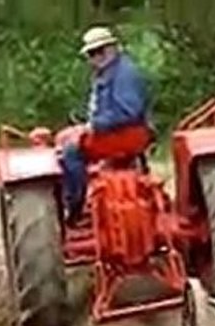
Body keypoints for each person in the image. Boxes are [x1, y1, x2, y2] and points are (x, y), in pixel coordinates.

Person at [61, 25, 151, 226]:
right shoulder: (114, 70)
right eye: (92, 54)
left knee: (70, 152)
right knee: (70, 135)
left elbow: (128, 112)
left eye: (99, 51)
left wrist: (94, 126)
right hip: (126, 135)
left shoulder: (124, 74)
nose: (96, 57)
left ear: (112, 48)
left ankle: (74, 207)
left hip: (119, 135)